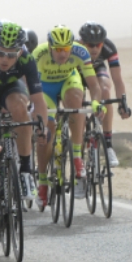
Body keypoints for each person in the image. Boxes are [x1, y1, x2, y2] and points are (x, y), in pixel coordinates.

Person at [0, 23, 47, 240]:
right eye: (1, 53)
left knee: (20, 108)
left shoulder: (26, 59)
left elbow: (37, 99)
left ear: (20, 51)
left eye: (11, 54)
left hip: (9, 90)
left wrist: (42, 124)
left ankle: (25, 170)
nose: (5, 59)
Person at [32, 25, 102, 206]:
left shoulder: (81, 52)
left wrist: (96, 102)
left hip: (68, 81)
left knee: (76, 101)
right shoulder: (38, 55)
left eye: (66, 49)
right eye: (58, 50)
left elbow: (94, 85)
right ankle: (42, 182)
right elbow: (29, 86)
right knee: (47, 130)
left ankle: (77, 158)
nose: (63, 54)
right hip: (44, 88)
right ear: (50, 47)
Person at [78, 22, 132, 167]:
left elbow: (117, 80)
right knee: (78, 101)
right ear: (82, 42)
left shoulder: (109, 47)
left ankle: (108, 146)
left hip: (97, 70)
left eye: (98, 44)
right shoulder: (75, 49)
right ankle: (79, 152)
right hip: (79, 73)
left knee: (106, 90)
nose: (95, 48)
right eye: (90, 45)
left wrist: (123, 104)